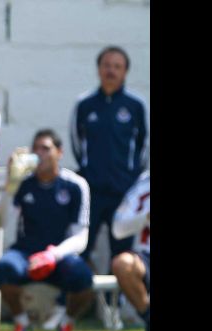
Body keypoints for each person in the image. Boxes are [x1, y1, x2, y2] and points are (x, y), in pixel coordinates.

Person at [0, 129, 92, 331]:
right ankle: (22, 324)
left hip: (58, 254)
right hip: (26, 252)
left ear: (59, 152)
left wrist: (53, 254)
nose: (40, 154)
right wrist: (11, 186)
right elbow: (0, 222)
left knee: (84, 279)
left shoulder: (76, 185)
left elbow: (80, 236)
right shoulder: (24, 183)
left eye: (45, 148)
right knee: (3, 268)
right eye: (35, 149)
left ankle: (65, 324)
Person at [70, 46, 149, 264]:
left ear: (125, 72)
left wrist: (131, 178)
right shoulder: (85, 104)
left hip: (124, 193)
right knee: (82, 251)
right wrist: (89, 172)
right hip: (92, 192)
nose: (111, 71)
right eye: (107, 65)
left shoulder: (136, 106)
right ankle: (87, 299)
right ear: (98, 69)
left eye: (117, 66)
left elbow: (144, 147)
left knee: (122, 255)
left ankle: (120, 299)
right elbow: (77, 143)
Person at [111, 170, 150, 331]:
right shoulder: (145, 181)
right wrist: (145, 217)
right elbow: (118, 229)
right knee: (123, 264)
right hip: (147, 255)